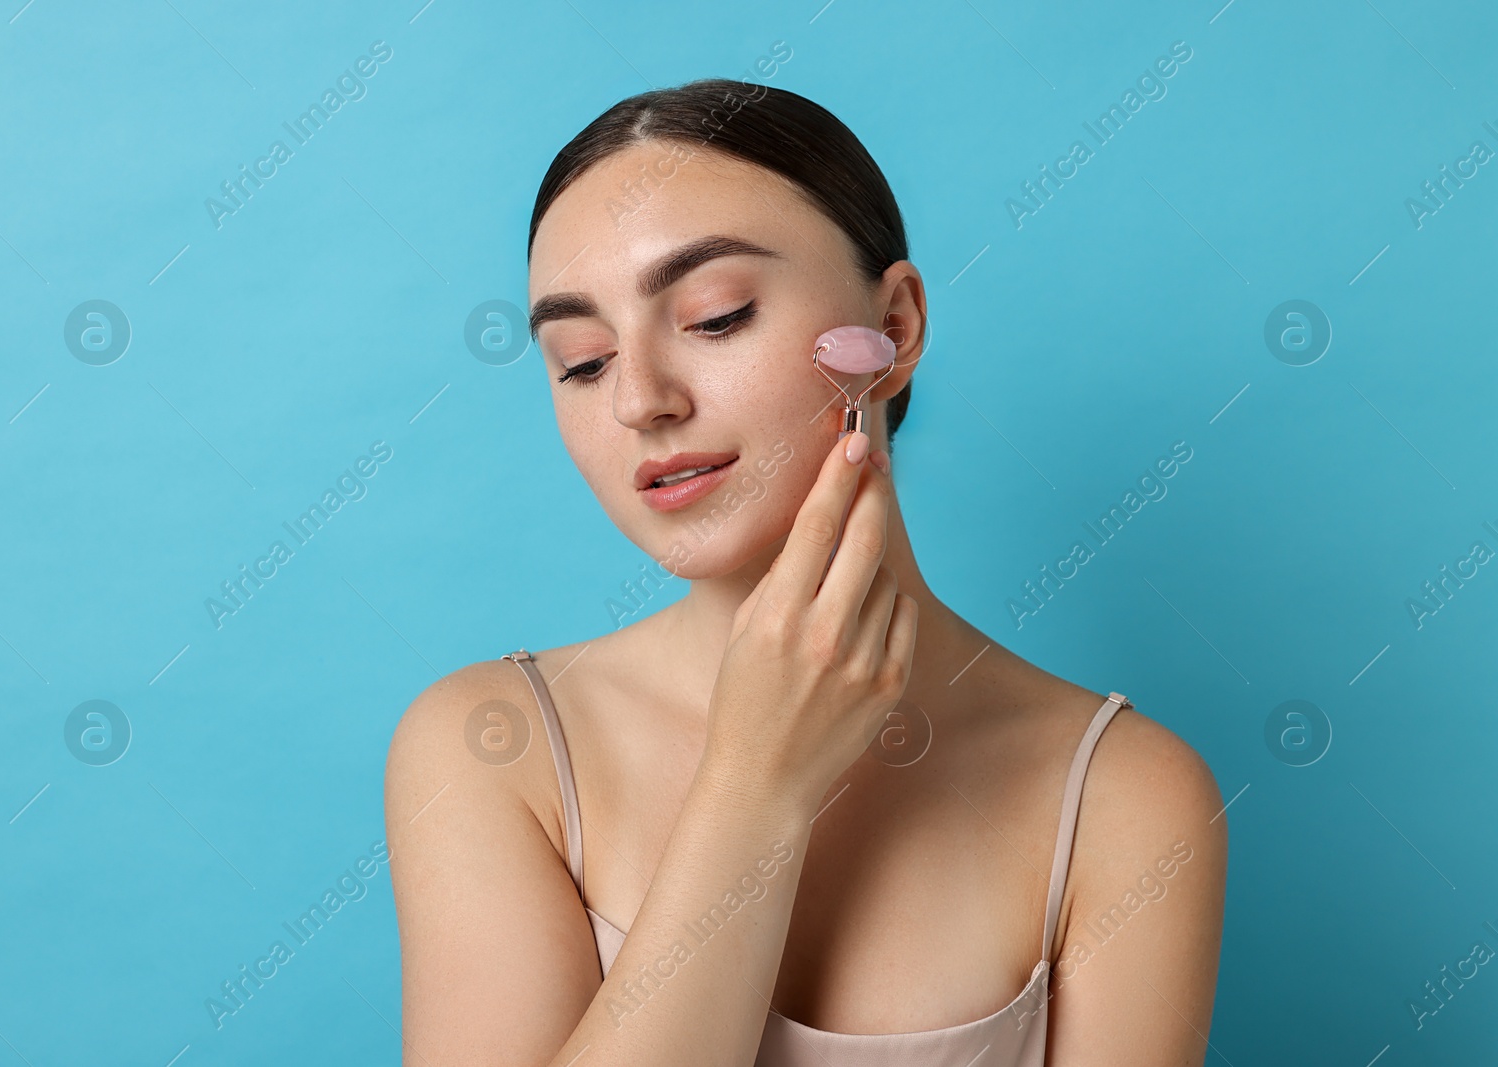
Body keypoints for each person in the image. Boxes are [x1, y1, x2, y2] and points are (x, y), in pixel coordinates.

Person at [385, 78, 1226, 1066]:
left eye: (715, 316)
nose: (640, 401)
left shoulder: (1125, 796)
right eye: (582, 360)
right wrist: (756, 785)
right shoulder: (494, 747)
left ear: (896, 328)